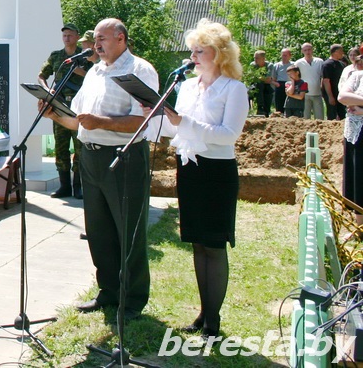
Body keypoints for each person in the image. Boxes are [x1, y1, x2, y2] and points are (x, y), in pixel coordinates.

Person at [39, 18, 157, 319]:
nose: (95, 45)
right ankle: (108, 291)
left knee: (128, 229)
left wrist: (101, 122)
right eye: (94, 41)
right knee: (99, 229)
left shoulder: (140, 70)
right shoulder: (94, 71)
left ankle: (132, 300)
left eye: (102, 39)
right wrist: (53, 115)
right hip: (90, 157)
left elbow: (144, 120)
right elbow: (79, 120)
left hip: (123, 158)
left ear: (120, 38)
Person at [149, 19, 248, 340]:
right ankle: (203, 312)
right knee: (197, 242)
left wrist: (184, 121)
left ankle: (213, 321)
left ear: (219, 54)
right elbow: (179, 129)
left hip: (217, 172)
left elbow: (228, 134)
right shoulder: (187, 85)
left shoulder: (234, 88)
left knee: (214, 244)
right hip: (189, 167)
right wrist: (156, 114)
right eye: (191, 50)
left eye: (199, 51)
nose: (192, 56)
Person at [37, 23, 92, 199]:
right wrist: (47, 90)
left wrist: (80, 72)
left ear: (77, 36)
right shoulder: (56, 56)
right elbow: (41, 76)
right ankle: (64, 186)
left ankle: (78, 186)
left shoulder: (85, 56)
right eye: (64, 35)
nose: (67, 38)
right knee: (60, 149)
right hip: (59, 106)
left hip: (78, 107)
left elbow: (94, 77)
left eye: (70, 35)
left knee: (79, 148)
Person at [339, 72, 363, 227]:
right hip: (357, 134)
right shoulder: (358, 76)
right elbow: (343, 97)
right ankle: (360, 227)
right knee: (359, 177)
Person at [296, 43, 325, 120]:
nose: (307, 52)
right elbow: (295, 77)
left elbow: (323, 76)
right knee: (305, 117)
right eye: (305, 50)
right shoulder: (298, 63)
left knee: (320, 118)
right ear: (302, 51)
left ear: (312, 50)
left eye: (309, 49)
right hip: (304, 94)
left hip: (317, 93)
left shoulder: (320, 61)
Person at [322, 44, 347, 121]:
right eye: (341, 51)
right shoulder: (327, 64)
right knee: (331, 114)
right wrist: (330, 96)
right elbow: (326, 81)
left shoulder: (341, 64)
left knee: (343, 113)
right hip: (331, 93)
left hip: (340, 93)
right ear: (335, 52)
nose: (342, 53)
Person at [249, 50, 274, 117]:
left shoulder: (269, 65)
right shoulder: (253, 65)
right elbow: (251, 78)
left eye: (257, 58)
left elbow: (268, 80)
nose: (255, 60)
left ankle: (265, 111)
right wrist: (262, 78)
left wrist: (257, 77)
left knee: (267, 91)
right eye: (254, 58)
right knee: (256, 86)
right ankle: (256, 108)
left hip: (267, 86)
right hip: (254, 85)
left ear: (263, 58)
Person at [269, 48, 292, 114]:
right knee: (279, 104)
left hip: (290, 85)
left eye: (285, 55)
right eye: (282, 55)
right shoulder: (276, 65)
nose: (283, 57)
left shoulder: (293, 65)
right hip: (279, 85)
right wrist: (276, 84)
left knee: (289, 103)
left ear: (290, 56)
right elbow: (272, 79)